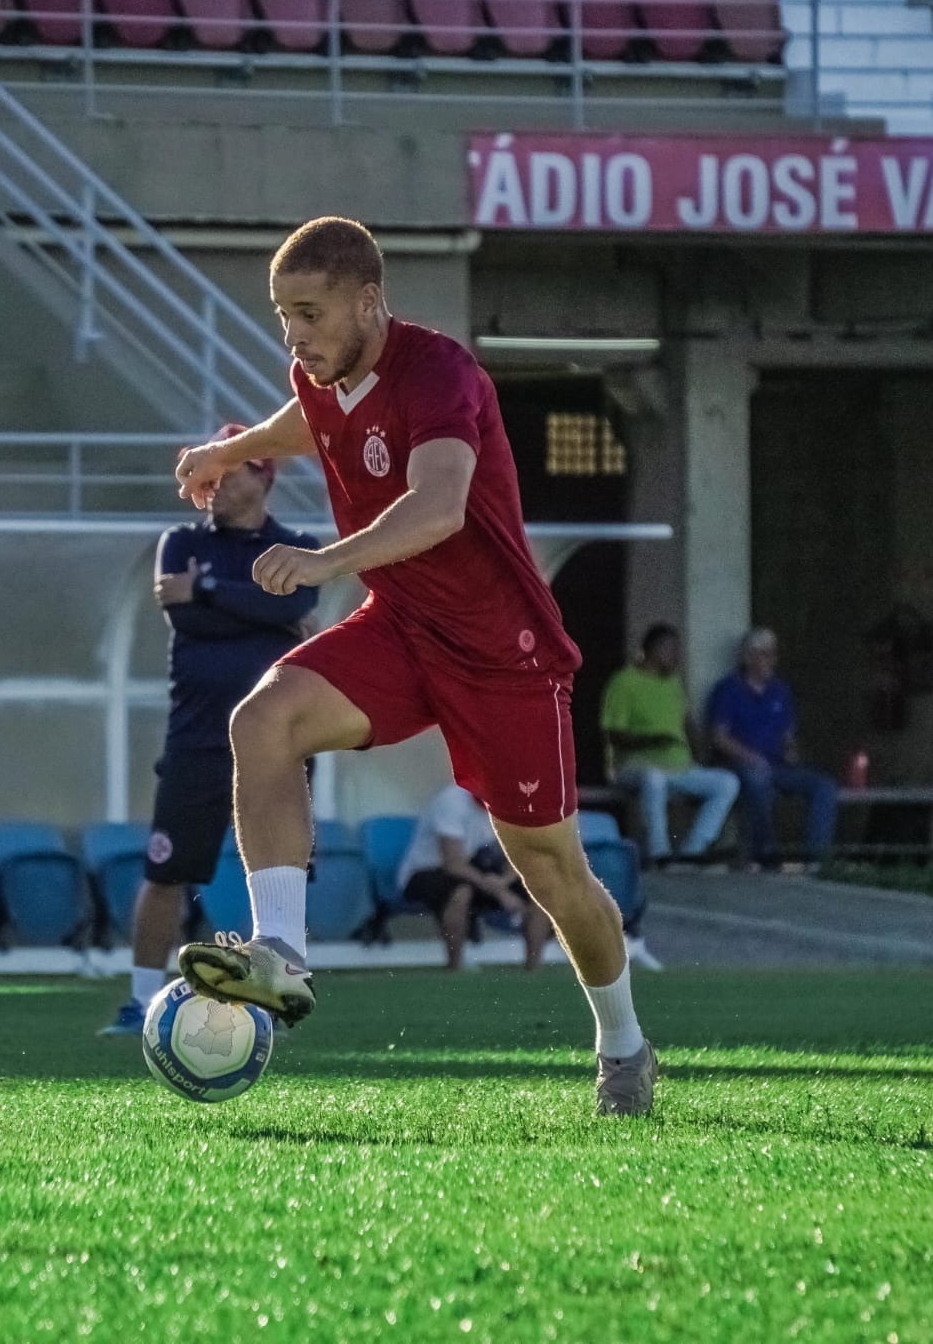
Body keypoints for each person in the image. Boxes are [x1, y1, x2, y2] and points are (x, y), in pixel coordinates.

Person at [168, 217, 657, 1116]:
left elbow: (437, 508)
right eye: (284, 317)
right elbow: (304, 421)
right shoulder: (317, 374)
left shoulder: (442, 373)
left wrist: (320, 561)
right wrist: (232, 451)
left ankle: (622, 1042)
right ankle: (281, 956)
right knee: (262, 720)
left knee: (551, 874)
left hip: (503, 650)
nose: (295, 336)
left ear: (368, 301)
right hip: (401, 626)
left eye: (309, 313)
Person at [98, 424, 319, 1037]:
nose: (215, 487)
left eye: (230, 473)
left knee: (279, 871)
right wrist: (255, 606)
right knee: (167, 870)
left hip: (279, 739)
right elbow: (192, 618)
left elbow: (290, 605)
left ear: (264, 475)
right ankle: (139, 1001)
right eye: (209, 476)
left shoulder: (296, 544)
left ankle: (275, 992)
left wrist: (215, 589)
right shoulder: (181, 542)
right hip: (197, 735)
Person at [600, 623, 739, 867]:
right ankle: (659, 853)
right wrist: (653, 740)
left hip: (679, 767)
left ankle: (693, 851)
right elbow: (613, 734)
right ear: (652, 649)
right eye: (670, 648)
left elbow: (687, 723)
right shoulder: (625, 681)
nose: (676, 654)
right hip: (634, 766)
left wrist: (700, 752)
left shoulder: (673, 683)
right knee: (654, 779)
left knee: (727, 782)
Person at [706, 626, 839, 872]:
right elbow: (719, 738)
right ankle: (768, 855)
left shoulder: (780, 690)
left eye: (773, 653)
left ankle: (815, 860)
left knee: (824, 786)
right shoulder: (728, 690)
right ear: (747, 657)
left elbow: (788, 735)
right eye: (765, 653)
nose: (772, 660)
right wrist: (751, 757)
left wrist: (791, 751)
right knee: (757, 780)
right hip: (739, 765)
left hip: (777, 765)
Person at [396, 782, 553, 971]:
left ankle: (533, 970)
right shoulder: (451, 802)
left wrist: (504, 882)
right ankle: (455, 967)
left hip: (473, 870)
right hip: (425, 872)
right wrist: (499, 892)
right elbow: (453, 864)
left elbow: (522, 854)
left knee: (541, 890)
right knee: (461, 891)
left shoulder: (510, 805)